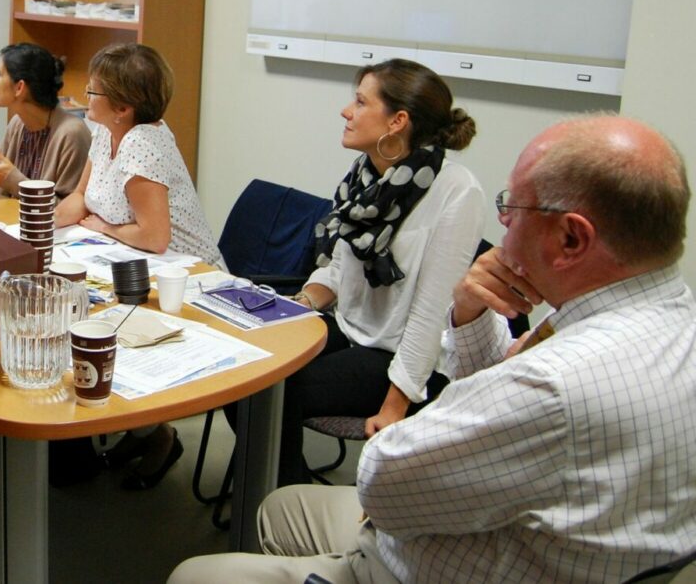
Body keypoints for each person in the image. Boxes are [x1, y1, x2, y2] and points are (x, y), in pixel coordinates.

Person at [169, 114, 696, 584]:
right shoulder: (652, 319)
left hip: (421, 558)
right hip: (528, 539)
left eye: (510, 209)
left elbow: (381, 486)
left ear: (572, 240)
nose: (502, 229)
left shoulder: (552, 384)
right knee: (282, 507)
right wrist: (468, 312)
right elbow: (492, 386)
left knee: (195, 574)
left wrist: (403, 414)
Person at [276, 58, 485, 486]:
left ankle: (282, 498)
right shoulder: (367, 175)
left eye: (359, 101)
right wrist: (299, 306)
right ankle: (283, 488)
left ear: (398, 121)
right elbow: (338, 266)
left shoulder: (456, 191)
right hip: (351, 328)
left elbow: (431, 314)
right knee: (251, 372)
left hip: (400, 357)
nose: (345, 111)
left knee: (274, 394)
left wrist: (395, 407)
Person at [55, 42, 223, 490]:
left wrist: (106, 228)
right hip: (131, 261)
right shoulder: (105, 132)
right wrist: (33, 223)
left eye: (92, 91)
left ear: (123, 107)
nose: (83, 97)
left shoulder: (144, 142)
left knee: (99, 325)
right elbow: (80, 199)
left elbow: (155, 236)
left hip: (186, 276)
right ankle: (144, 432)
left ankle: (158, 435)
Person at [0, 43, 91, 200]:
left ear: (19, 87)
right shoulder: (17, 123)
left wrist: (15, 182)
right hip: (9, 221)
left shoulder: (72, 134)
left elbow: (68, 210)